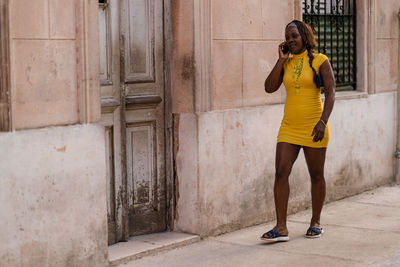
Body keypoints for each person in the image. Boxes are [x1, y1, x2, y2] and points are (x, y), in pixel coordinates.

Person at [261, 20, 335, 241]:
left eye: (294, 36)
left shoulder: (320, 60)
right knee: (281, 172)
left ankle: (316, 222)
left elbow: (331, 93)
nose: (290, 40)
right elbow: (268, 87)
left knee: (316, 175)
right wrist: (280, 60)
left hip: (314, 126)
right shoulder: (287, 63)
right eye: (287, 37)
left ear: (304, 36)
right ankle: (281, 227)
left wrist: (323, 121)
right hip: (289, 127)